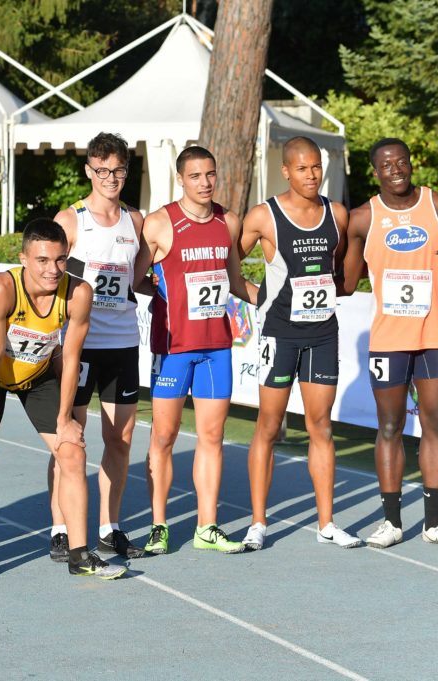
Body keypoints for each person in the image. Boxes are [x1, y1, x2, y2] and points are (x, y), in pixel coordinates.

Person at [0, 218, 126, 587]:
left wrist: (65, 419)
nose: (52, 270)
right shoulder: (1, 288)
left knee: (72, 452)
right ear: (23, 259)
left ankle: (79, 555)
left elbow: (72, 359)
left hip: (39, 375)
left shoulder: (78, 293)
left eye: (60, 260)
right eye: (42, 260)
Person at [340, 137, 438, 550]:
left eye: (401, 162)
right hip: (388, 339)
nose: (395, 170)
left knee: (436, 424)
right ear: (375, 172)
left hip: (436, 334)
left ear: (411, 164)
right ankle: (391, 522)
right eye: (386, 165)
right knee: (390, 426)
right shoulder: (362, 218)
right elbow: (347, 281)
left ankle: (434, 524)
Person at [238, 137, 362, 550]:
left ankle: (327, 524)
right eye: (302, 168)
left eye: (316, 167)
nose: (311, 175)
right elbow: (228, 263)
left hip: (323, 333)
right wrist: (256, 295)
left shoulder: (336, 213)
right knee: (269, 426)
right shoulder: (264, 216)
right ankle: (258, 522)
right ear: (286, 171)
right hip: (280, 334)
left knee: (321, 426)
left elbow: (339, 268)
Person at [134, 145, 257, 556]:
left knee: (212, 436)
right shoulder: (159, 224)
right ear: (180, 179)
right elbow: (136, 279)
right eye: (195, 176)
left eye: (210, 174)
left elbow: (235, 282)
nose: (205, 183)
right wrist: (166, 294)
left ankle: (207, 526)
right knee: (164, 436)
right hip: (174, 348)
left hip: (216, 347)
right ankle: (158, 525)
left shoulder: (229, 222)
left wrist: (273, 300)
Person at [46, 132, 145, 561]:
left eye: (118, 170)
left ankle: (109, 526)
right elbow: (45, 276)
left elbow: (137, 278)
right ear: (89, 170)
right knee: (70, 438)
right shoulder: (71, 220)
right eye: (102, 170)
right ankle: (61, 528)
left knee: (119, 440)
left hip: (122, 343)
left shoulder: (135, 221)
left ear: (126, 171)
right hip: (78, 346)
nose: (110, 178)